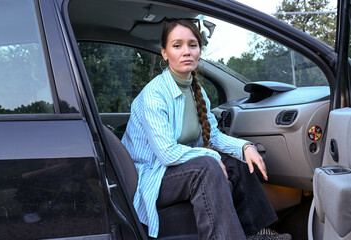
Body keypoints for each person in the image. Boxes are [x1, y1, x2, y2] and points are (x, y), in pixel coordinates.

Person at [121, 18, 291, 240]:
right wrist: (211, 156)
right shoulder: (153, 96)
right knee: (207, 166)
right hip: (150, 175)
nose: (186, 52)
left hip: (174, 169)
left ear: (200, 50)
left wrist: (245, 147)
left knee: (236, 163)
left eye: (193, 45)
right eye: (177, 45)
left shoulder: (196, 91)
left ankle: (259, 233)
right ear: (164, 53)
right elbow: (166, 153)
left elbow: (214, 136)